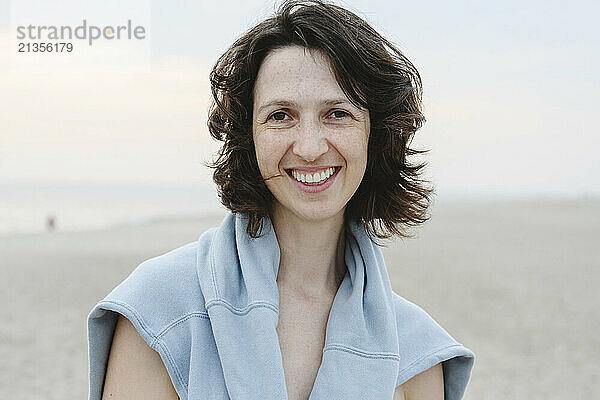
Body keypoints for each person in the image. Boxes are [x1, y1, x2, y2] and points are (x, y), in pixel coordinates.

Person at [87, 1, 475, 399]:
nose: (309, 147)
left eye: (337, 114)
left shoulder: (418, 353)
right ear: (248, 137)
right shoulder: (159, 311)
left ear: (375, 135)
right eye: (281, 116)